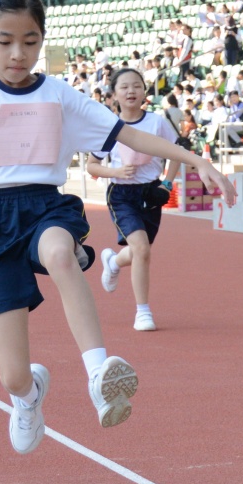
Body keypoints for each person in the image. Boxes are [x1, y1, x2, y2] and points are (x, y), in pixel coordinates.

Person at [0, 0, 235, 453]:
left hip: (44, 205)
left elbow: (129, 134)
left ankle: (98, 373)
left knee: (60, 254)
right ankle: (28, 397)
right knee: (12, 375)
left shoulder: (59, 95)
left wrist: (195, 160)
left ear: (42, 41)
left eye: (30, 41)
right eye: (5, 41)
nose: (18, 53)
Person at [87, 67, 178, 334]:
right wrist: (115, 172)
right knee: (141, 248)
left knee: (141, 250)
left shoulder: (157, 122)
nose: (131, 91)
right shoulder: (108, 127)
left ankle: (114, 262)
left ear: (144, 92)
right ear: (114, 94)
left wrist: (166, 184)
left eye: (136, 86)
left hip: (151, 193)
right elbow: (92, 166)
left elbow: (176, 152)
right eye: (124, 87)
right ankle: (143, 311)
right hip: (122, 194)